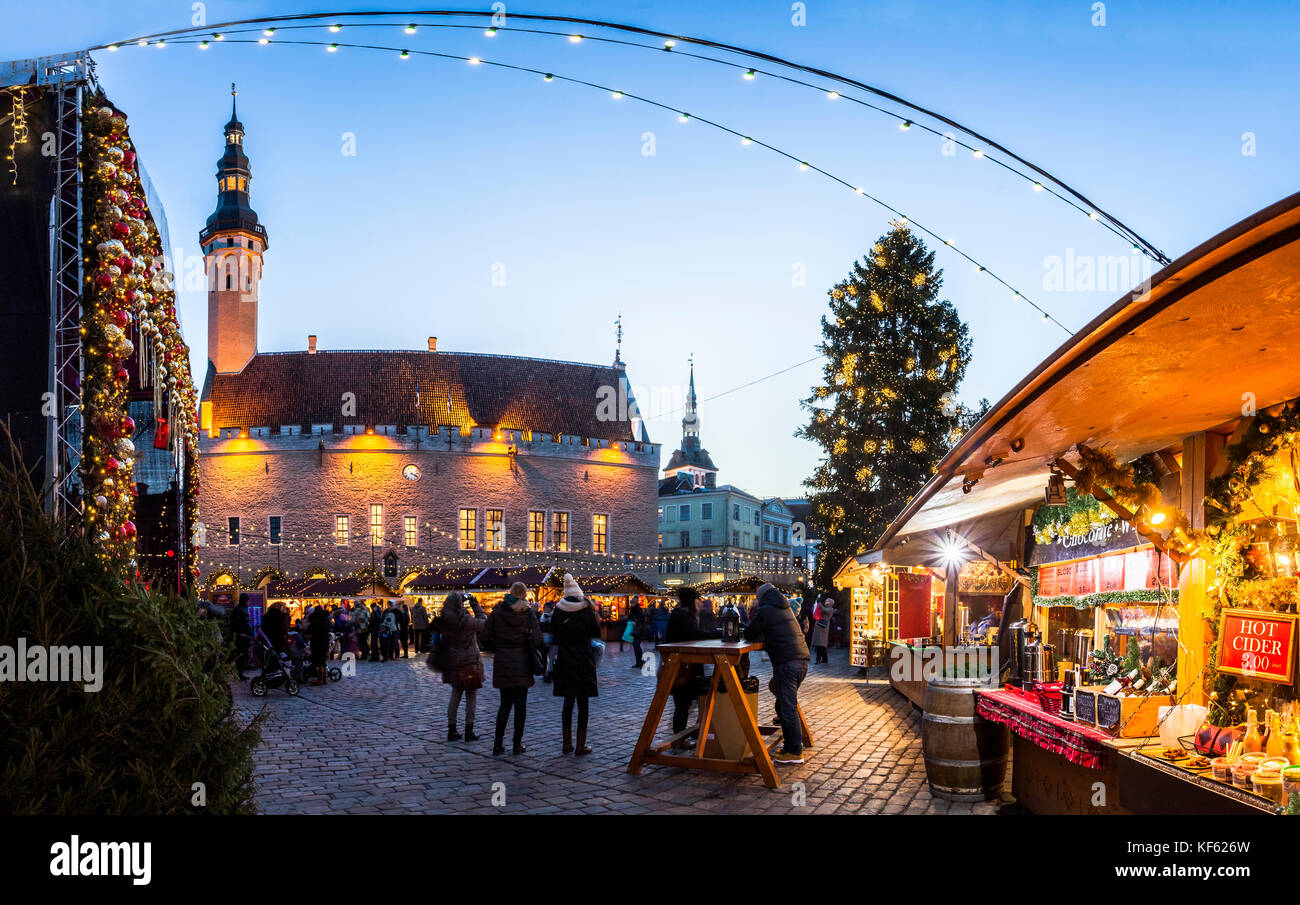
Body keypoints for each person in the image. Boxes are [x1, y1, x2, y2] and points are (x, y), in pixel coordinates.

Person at [744, 583, 811, 765]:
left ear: (762, 597)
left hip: (787, 663)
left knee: (787, 707)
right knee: (782, 702)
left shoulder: (766, 609)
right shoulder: (785, 607)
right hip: (801, 660)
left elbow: (750, 632)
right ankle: (791, 746)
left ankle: (795, 751)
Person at [482, 581, 545, 755]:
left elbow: (484, 637)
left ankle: (497, 744)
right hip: (522, 662)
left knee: (504, 705)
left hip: (503, 661)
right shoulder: (528, 614)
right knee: (520, 707)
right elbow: (539, 640)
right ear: (524, 595)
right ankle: (517, 744)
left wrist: (498, 647)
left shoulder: (497, 613)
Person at [551, 574, 601, 755]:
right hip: (583, 657)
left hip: (565, 657)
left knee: (568, 702)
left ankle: (567, 743)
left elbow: (554, 634)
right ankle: (581, 745)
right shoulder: (587, 610)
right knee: (583, 703)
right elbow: (597, 632)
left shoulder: (558, 610)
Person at [665, 587, 721, 746]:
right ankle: (680, 737)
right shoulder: (682, 616)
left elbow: (699, 632)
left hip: (688, 665)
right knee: (684, 703)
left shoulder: (685, 615)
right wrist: (720, 635)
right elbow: (695, 634)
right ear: (692, 601)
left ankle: (692, 734)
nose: (700, 603)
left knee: (692, 701)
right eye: (698, 599)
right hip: (683, 667)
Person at [440, 592, 487, 741]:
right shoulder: (465, 619)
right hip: (468, 663)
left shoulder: (446, 619)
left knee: (455, 696)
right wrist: (474, 604)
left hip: (453, 662)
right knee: (471, 696)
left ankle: (451, 729)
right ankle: (469, 730)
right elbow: (483, 622)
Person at [307, 602, 332, 685]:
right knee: (323, 660)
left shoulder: (315, 620)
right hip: (325, 642)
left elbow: (309, 631)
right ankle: (324, 679)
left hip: (316, 642)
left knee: (318, 660)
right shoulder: (326, 620)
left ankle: (320, 679)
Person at [230, 593, 252, 679]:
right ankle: (239, 673)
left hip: (244, 635)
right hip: (241, 636)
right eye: (247, 600)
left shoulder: (243, 608)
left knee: (243, 655)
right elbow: (236, 624)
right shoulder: (239, 609)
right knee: (240, 655)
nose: (249, 602)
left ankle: (240, 672)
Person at [811, 595, 835, 664]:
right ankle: (824, 659)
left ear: (831, 603)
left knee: (821, 645)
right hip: (819, 626)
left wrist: (819, 603)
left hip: (823, 628)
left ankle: (818, 659)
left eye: (828, 601)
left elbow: (824, 610)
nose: (826, 602)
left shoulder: (830, 609)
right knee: (820, 645)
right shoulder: (825, 607)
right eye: (826, 601)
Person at [539, 599, 557, 682]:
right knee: (543, 657)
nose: (546, 609)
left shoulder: (554, 617)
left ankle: (550, 673)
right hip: (544, 640)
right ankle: (545, 673)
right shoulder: (542, 617)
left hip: (553, 640)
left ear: (551, 608)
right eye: (544, 607)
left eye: (547, 607)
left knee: (551, 658)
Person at [625, 600, 645, 669]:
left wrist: (635, 622)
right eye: (631, 603)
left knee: (637, 645)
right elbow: (630, 618)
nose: (631, 604)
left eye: (632, 603)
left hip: (638, 630)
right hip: (633, 630)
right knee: (635, 646)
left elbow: (641, 619)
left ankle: (641, 661)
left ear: (635, 603)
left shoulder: (639, 610)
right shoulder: (632, 610)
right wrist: (629, 620)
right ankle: (638, 662)